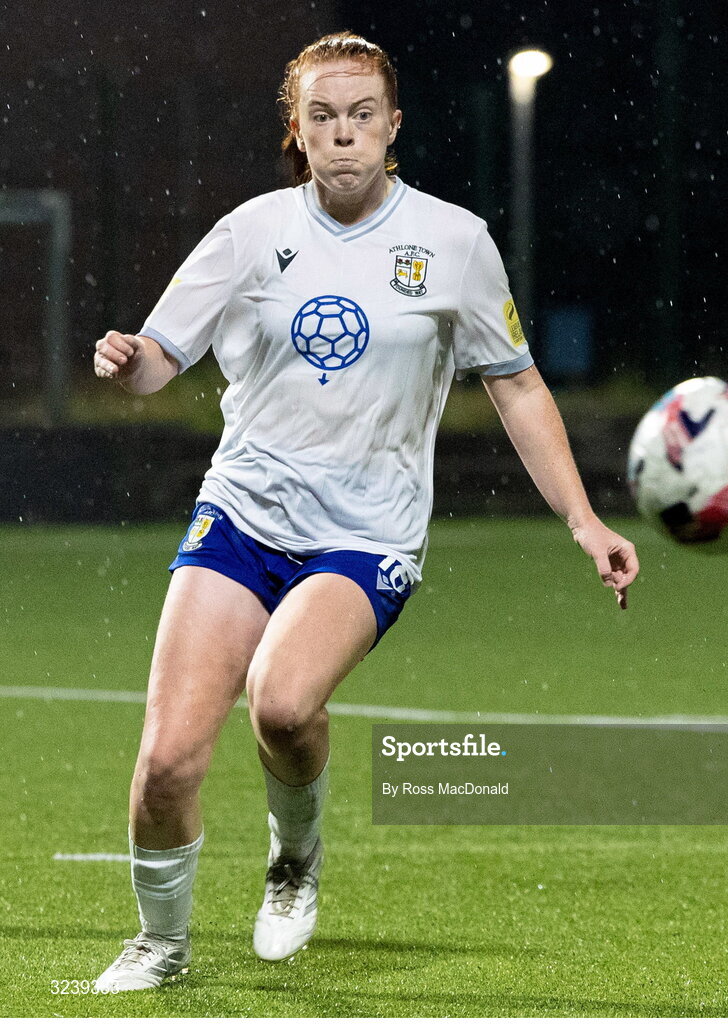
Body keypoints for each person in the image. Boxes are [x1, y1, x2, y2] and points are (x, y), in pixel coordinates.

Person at [91, 31, 639, 992]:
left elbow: (517, 387)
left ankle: (293, 861)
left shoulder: (456, 242)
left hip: (367, 533)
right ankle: (162, 945)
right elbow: (160, 361)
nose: (342, 135)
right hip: (244, 515)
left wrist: (584, 522)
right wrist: (131, 362)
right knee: (169, 764)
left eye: (360, 116)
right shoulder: (250, 231)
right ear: (297, 132)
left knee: (286, 703)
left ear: (392, 126)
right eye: (321, 118)